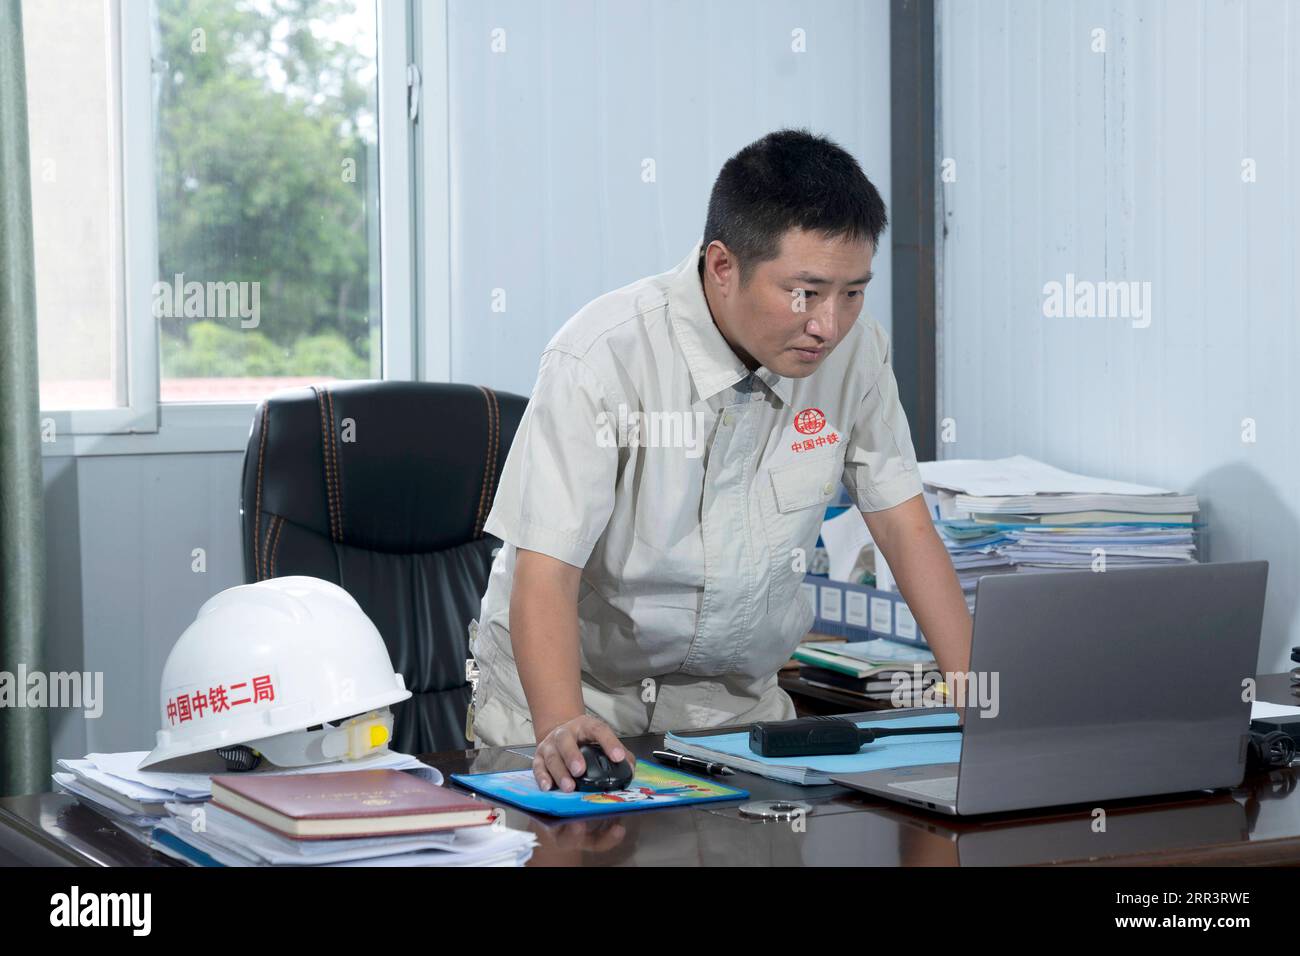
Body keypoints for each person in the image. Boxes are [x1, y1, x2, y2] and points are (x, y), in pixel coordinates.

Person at [467, 129, 972, 791]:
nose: (829, 324)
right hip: (581, 704)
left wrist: (981, 696)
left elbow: (904, 529)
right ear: (723, 265)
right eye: (805, 292)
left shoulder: (855, 355)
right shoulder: (602, 356)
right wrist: (564, 726)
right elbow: (546, 572)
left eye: (853, 292)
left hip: (737, 714)